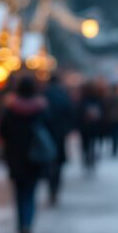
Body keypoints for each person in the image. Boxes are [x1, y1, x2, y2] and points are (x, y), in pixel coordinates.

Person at [0, 75, 52, 233]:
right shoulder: (41, 109)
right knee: (30, 194)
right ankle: (28, 225)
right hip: (35, 158)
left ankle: (21, 227)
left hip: (15, 158)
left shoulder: (10, 109)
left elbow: (2, 132)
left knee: (19, 195)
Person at [44, 74, 75, 205]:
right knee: (58, 163)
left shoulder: (44, 95)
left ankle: (51, 187)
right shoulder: (63, 96)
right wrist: (68, 129)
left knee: (49, 161)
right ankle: (55, 187)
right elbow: (70, 113)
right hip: (60, 134)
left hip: (47, 134)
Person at [77, 80, 103, 172]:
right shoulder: (97, 99)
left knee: (85, 144)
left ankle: (86, 159)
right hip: (93, 126)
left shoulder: (83, 100)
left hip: (85, 126)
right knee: (92, 143)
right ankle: (90, 160)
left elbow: (78, 113)